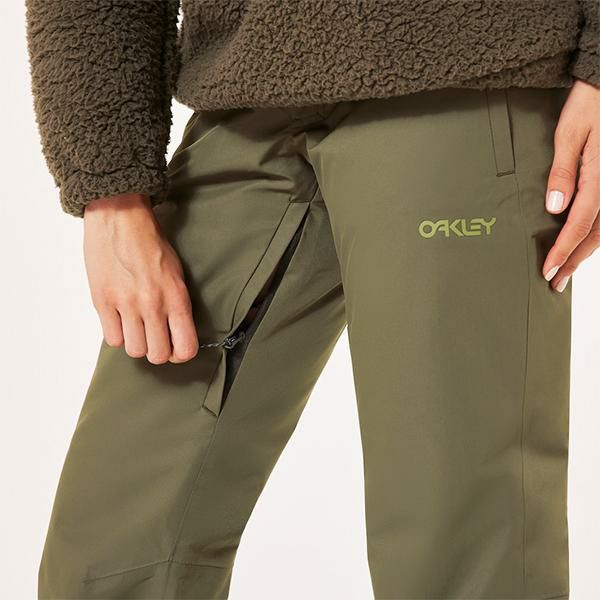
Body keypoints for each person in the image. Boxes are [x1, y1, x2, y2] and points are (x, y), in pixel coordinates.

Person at [25, 1, 599, 599]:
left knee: (460, 554)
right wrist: (110, 189)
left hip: (464, 63)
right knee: (107, 556)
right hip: (244, 83)